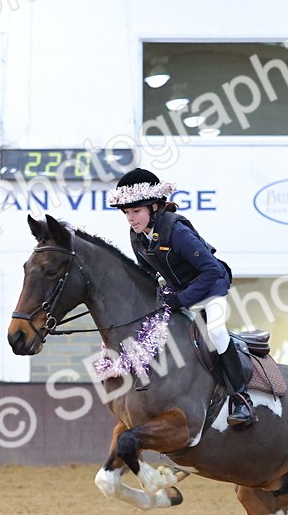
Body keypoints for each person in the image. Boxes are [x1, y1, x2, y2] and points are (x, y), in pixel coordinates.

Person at [107, 168, 253, 428]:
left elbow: (212, 270)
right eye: (127, 213)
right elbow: (147, 273)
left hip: (210, 288)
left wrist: (181, 299)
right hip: (177, 292)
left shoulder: (176, 230)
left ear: (154, 206)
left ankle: (240, 398)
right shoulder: (137, 234)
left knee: (217, 332)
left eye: (136, 211)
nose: (130, 219)